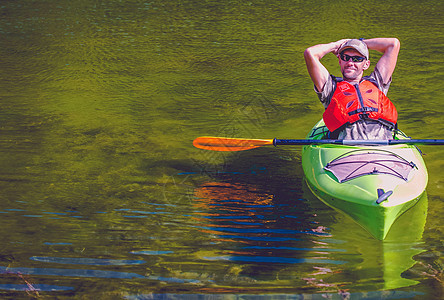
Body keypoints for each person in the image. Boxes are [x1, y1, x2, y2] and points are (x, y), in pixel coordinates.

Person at [304, 38, 401, 139]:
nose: (350, 63)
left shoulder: (378, 82)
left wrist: (360, 43)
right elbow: (310, 53)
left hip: (383, 146)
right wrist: (335, 45)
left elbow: (393, 44)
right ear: (340, 61)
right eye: (345, 57)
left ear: (366, 64)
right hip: (348, 148)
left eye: (357, 59)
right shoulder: (330, 87)